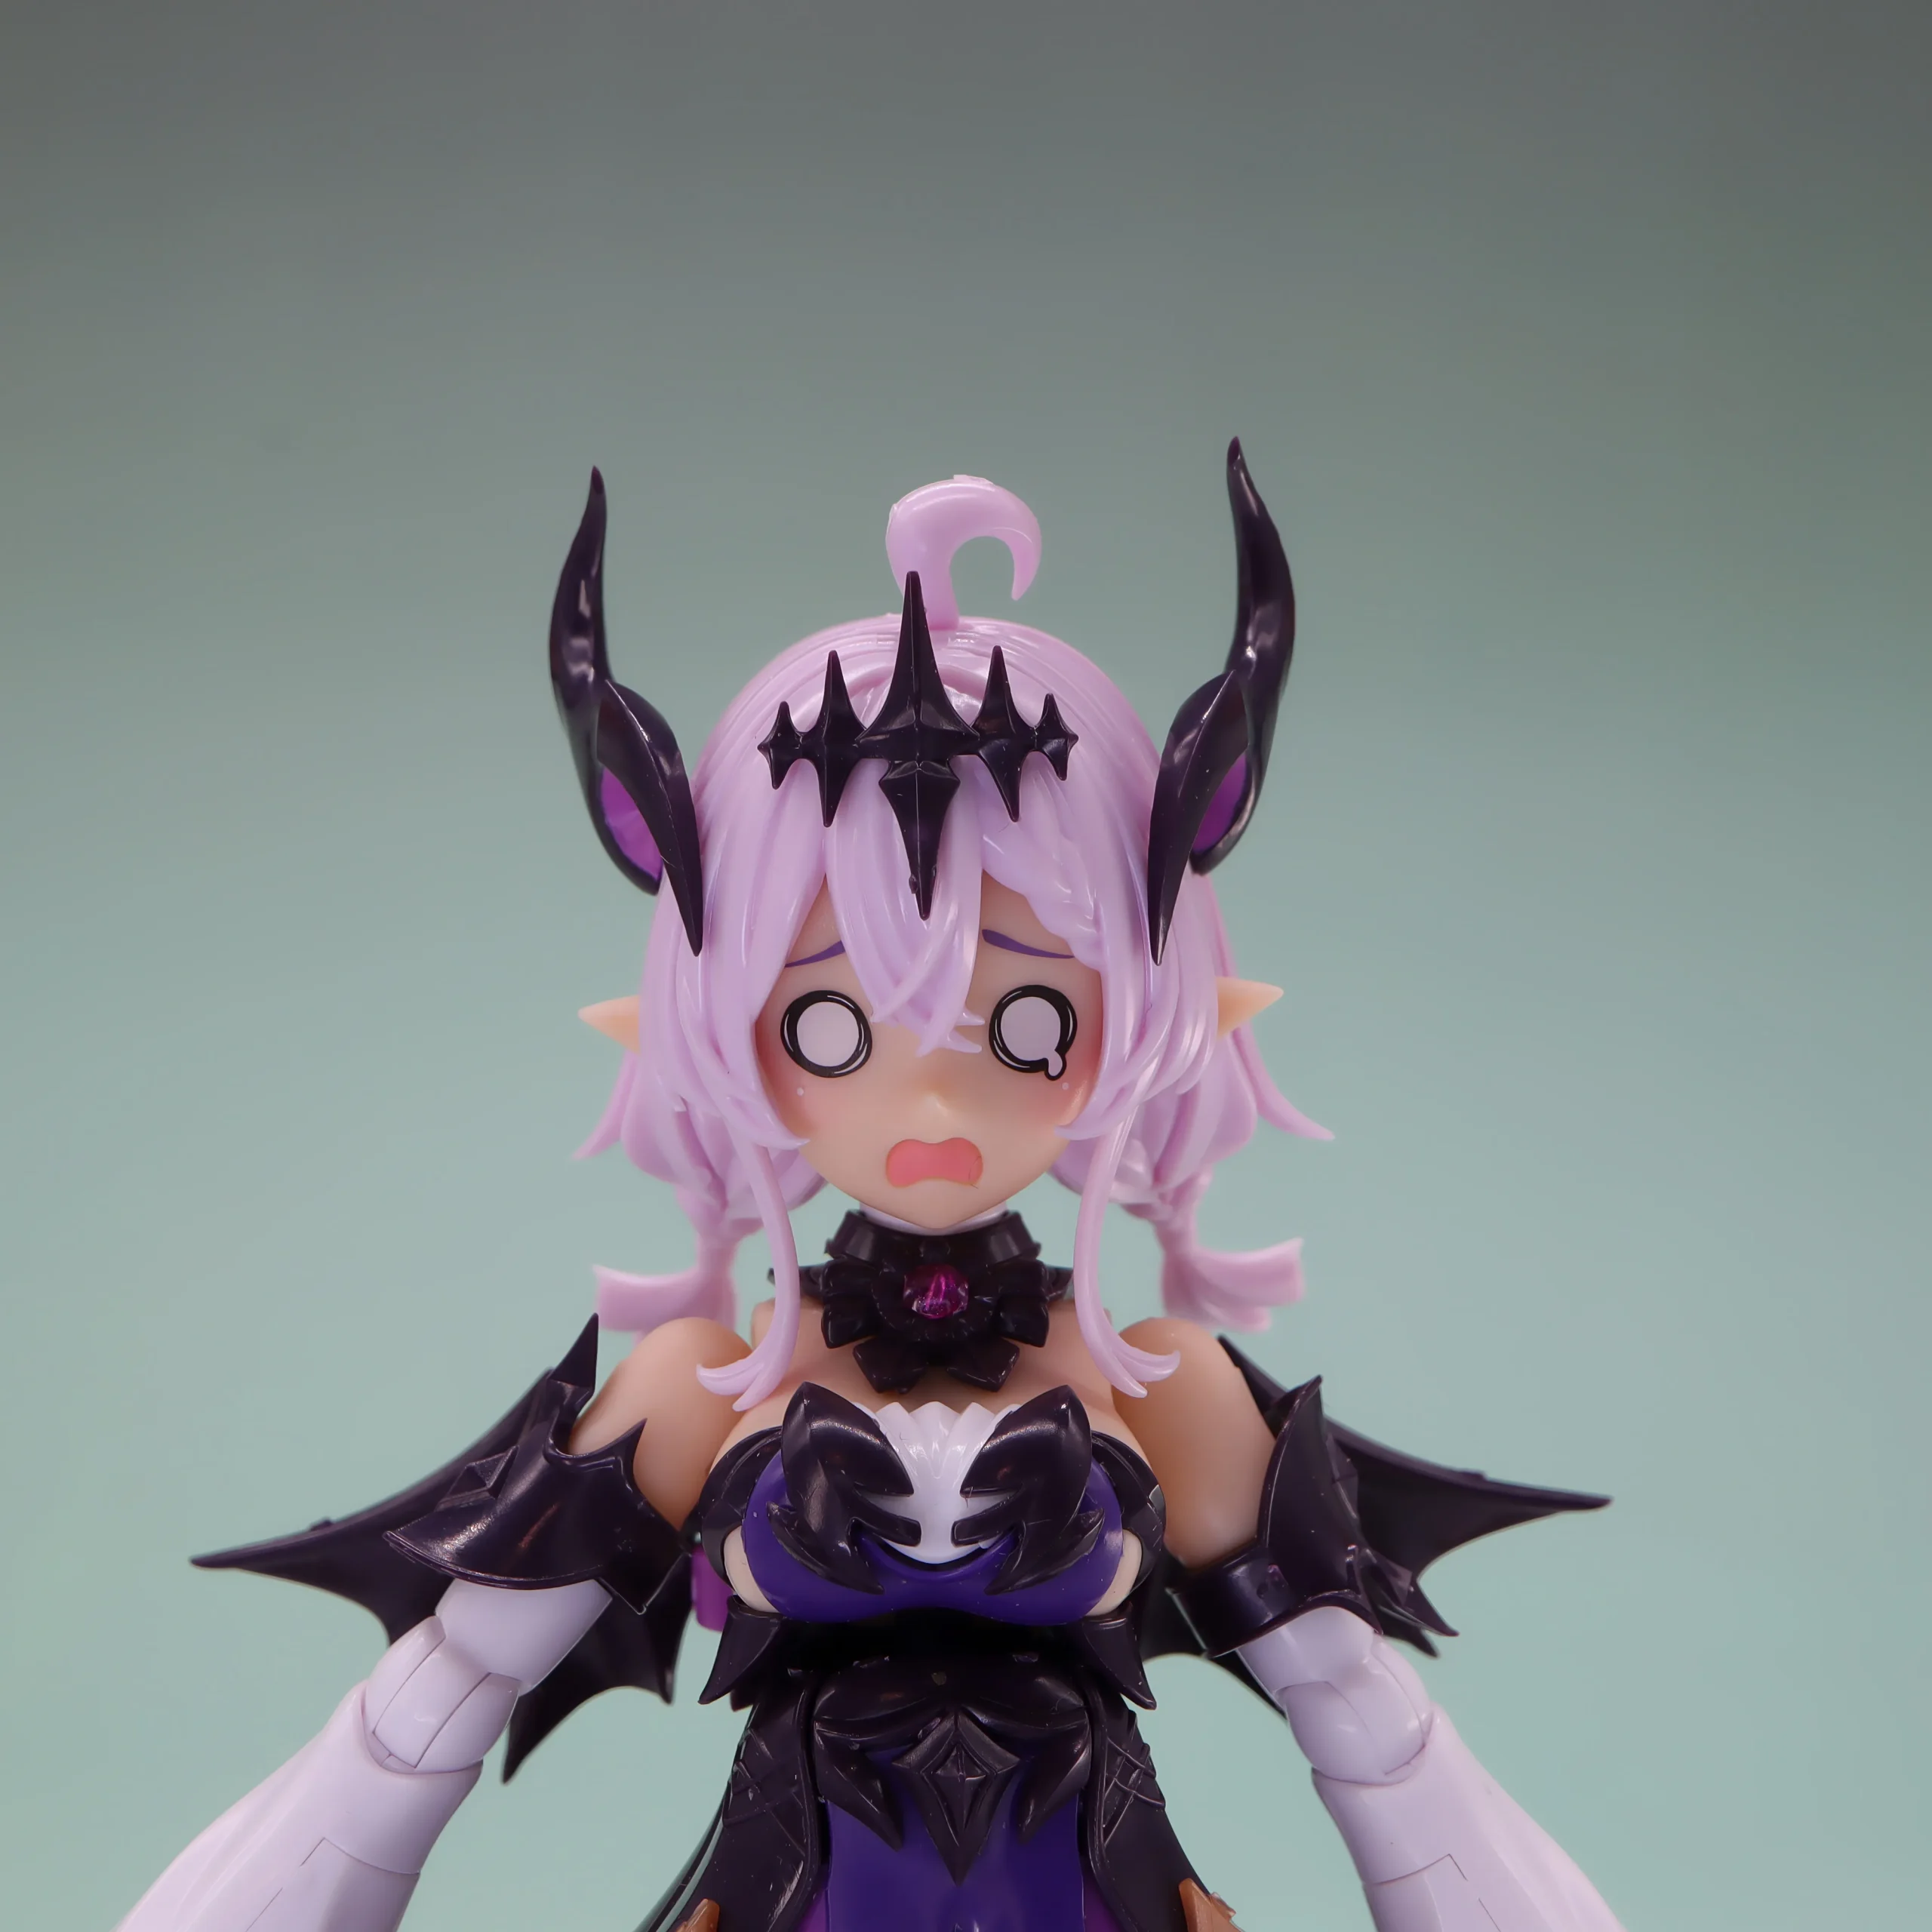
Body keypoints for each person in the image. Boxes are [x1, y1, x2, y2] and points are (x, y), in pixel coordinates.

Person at [119, 451, 1626, 1932]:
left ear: (1139, 1003)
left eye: (1026, 1022)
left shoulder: (1163, 1384)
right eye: (831, 1027)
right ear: (721, 1015)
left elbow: (1373, 1735)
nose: (931, 1110)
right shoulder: (699, 1384)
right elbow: (422, 1718)